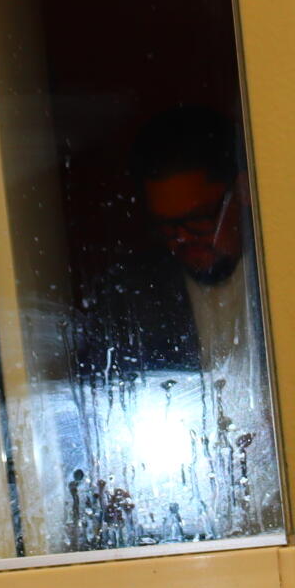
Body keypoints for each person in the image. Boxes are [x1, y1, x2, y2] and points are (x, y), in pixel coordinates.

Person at [74, 104, 260, 381]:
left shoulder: (288, 275)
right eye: (166, 225)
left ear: (243, 191)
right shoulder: (127, 297)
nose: (181, 238)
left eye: (198, 219)